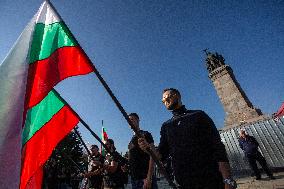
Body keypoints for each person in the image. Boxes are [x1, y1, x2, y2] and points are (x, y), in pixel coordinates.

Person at [138, 88, 237, 189]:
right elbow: (161, 154)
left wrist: (227, 179)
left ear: (177, 96)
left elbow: (217, 147)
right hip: (184, 182)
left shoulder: (198, 115)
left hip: (210, 179)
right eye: (163, 100)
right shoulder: (166, 126)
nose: (165, 101)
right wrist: (148, 149)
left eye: (167, 97)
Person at [128, 113, 158, 189]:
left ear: (138, 120)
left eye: (132, 119)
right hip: (134, 179)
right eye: (128, 120)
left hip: (144, 179)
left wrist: (149, 178)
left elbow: (153, 155)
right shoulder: (131, 141)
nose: (130, 122)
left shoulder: (145, 134)